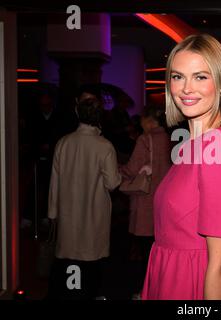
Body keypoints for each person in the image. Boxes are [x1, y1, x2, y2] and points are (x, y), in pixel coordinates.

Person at [141, 34, 221, 300]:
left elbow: (220, 264)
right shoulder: (187, 147)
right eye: (178, 76)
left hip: (197, 282)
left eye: (200, 77)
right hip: (170, 274)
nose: (186, 88)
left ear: (220, 85)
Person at [47, 93, 122, 300]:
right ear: (99, 116)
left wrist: (52, 212)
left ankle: (72, 294)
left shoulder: (63, 143)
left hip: (68, 212)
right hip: (93, 213)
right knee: (92, 261)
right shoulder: (104, 146)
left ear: (77, 113)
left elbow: (55, 182)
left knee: (70, 260)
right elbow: (112, 183)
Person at [119, 106, 171, 299]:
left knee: (146, 251)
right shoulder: (171, 138)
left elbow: (131, 169)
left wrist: (115, 167)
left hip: (146, 201)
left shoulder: (144, 139)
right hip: (165, 203)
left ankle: (147, 291)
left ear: (148, 120)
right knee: (162, 248)